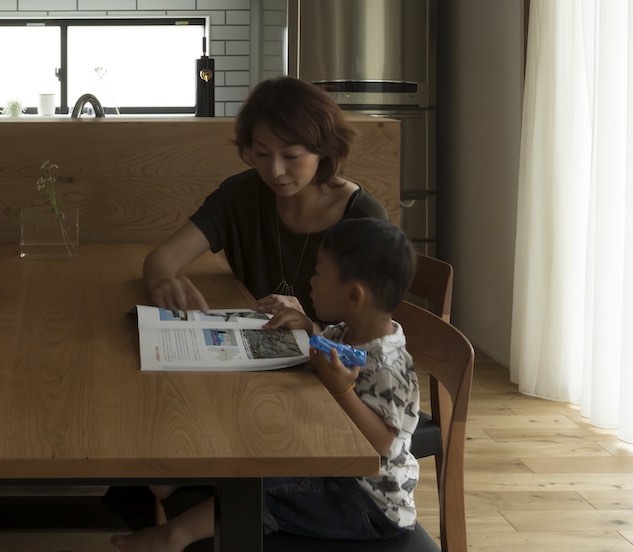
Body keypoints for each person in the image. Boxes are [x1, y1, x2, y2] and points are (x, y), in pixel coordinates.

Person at [112, 216, 421, 550]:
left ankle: (173, 536)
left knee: (260, 486)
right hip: (334, 465)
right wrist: (308, 328)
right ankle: (176, 484)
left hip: (366, 502)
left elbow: (379, 444)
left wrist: (341, 390)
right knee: (252, 439)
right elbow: (328, 348)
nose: (311, 282)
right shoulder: (353, 329)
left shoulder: (389, 366)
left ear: (354, 294)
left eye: (319, 274)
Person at [142, 76, 388, 325]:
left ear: (324, 148)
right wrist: (162, 280)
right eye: (261, 153)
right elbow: (163, 257)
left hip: (331, 361)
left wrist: (311, 328)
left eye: (291, 155)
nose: (275, 171)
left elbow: (374, 335)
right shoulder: (239, 195)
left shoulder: (364, 217)